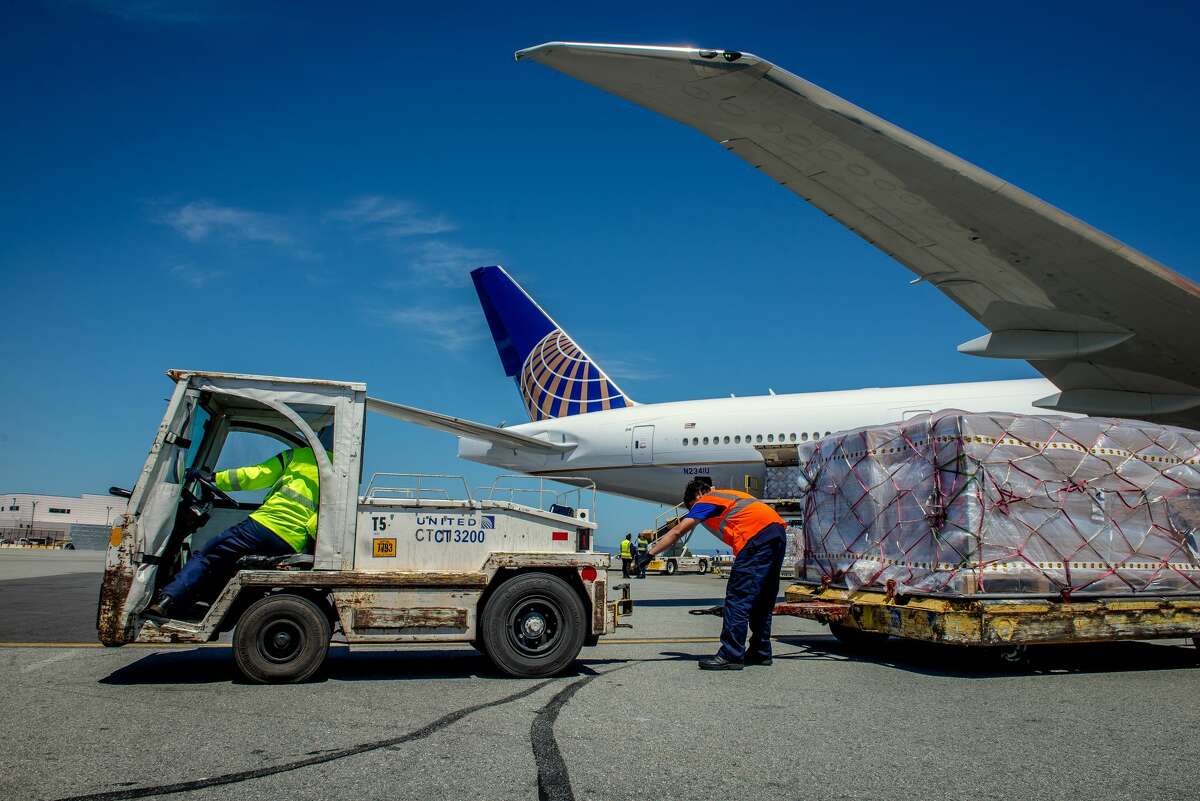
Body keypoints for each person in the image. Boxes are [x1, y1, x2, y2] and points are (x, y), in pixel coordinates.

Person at [146, 425, 333, 618]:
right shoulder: (337, 473)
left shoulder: (298, 456)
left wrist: (215, 478)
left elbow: (255, 476)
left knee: (207, 555)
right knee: (234, 564)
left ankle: (168, 599)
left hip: (263, 526)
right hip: (292, 541)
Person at [635, 478, 787, 670]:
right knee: (762, 599)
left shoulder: (706, 500)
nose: (698, 515)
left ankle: (731, 654)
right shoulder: (731, 495)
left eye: (692, 507)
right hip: (777, 533)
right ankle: (760, 650)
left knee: (737, 598)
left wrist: (649, 554)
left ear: (698, 495)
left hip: (755, 538)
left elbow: (677, 531)